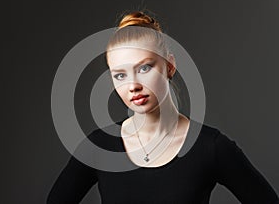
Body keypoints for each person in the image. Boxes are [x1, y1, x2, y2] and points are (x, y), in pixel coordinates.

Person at [47, 11, 279, 204]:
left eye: (145, 68)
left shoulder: (211, 147)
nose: (133, 85)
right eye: (120, 75)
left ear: (170, 65)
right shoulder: (98, 146)